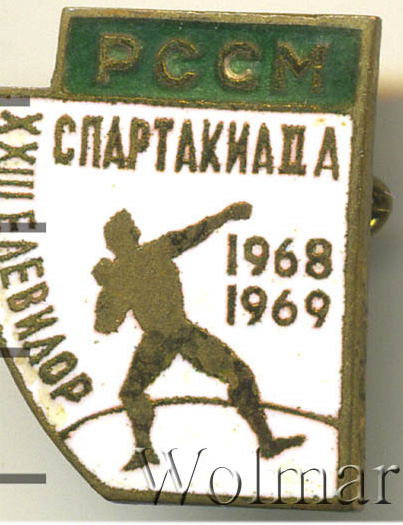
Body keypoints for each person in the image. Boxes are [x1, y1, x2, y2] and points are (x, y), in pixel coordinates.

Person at [92, 202, 305, 471]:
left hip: (170, 337)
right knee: (239, 375)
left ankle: (145, 451)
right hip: (175, 335)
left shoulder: (131, 268)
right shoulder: (151, 255)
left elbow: (105, 325)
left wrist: (107, 286)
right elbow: (105, 326)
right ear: (127, 237)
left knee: (132, 392)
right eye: (130, 229)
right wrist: (108, 289)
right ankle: (266, 441)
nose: (135, 231)